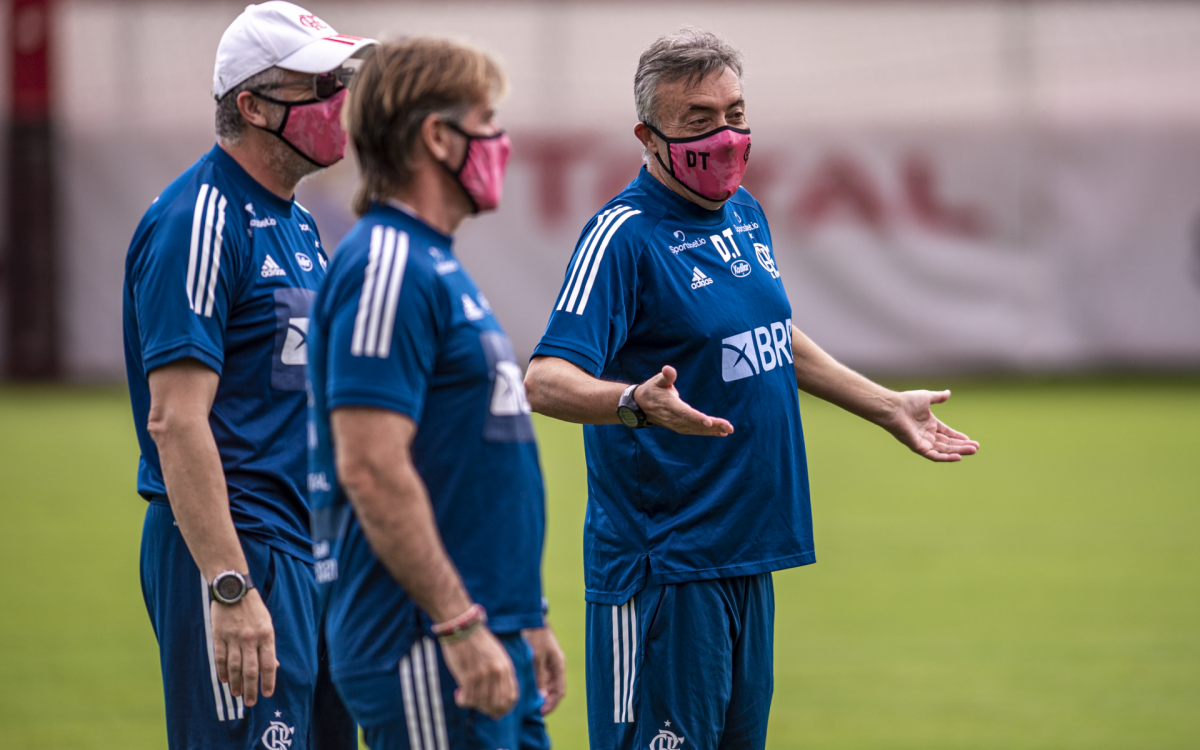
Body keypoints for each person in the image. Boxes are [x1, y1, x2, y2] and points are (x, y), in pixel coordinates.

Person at [523, 28, 980, 750]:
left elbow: (768, 336)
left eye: (735, 113)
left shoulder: (744, 214)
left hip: (745, 554)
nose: (727, 136)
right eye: (699, 122)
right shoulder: (623, 236)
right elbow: (545, 381)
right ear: (648, 135)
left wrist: (885, 405)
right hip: (663, 568)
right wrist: (633, 403)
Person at [121, 3, 375, 748]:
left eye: (342, 78)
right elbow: (175, 419)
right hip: (241, 551)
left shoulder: (298, 222)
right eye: (319, 82)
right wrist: (229, 586)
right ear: (252, 105)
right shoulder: (198, 220)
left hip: (308, 554)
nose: (339, 99)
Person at [306, 37, 565, 750]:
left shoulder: (434, 264)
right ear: (437, 137)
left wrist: (525, 617)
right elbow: (372, 467)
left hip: (489, 633)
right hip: (427, 645)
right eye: (487, 120)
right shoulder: (388, 266)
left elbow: (472, 466)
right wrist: (458, 624)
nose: (502, 142)